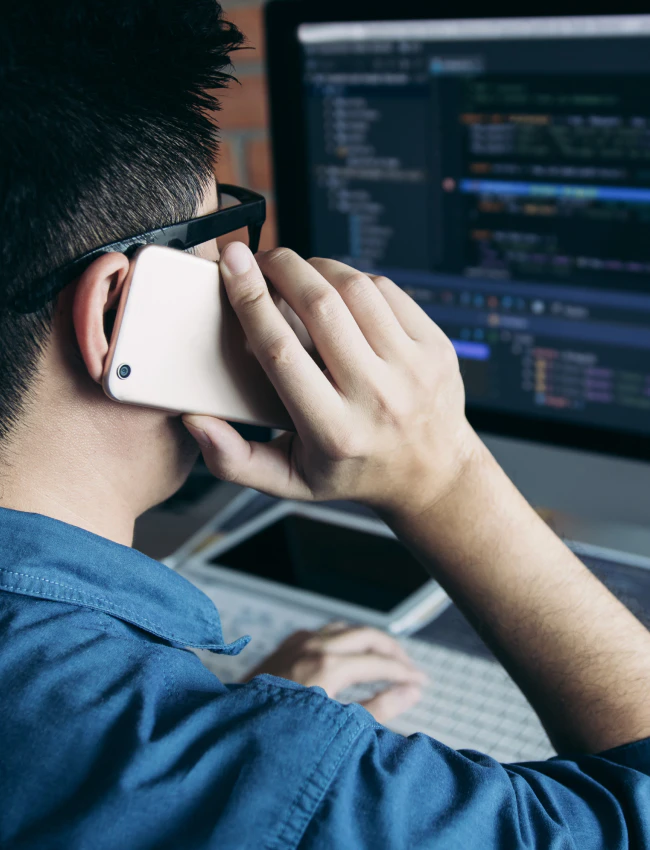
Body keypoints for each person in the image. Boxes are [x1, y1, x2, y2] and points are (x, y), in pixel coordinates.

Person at [1, 1, 649, 847]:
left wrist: (234, 724)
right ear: (121, 308)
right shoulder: (275, 783)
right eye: (219, 234)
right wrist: (443, 477)